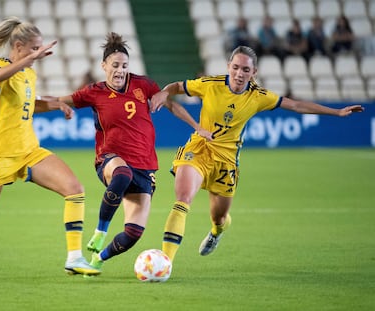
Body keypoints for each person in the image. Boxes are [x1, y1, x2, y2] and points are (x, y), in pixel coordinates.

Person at [150, 45, 364, 263]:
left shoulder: (258, 96)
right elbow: (175, 87)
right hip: (199, 150)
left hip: (227, 163)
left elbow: (297, 105)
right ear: (228, 67)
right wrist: (163, 93)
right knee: (183, 199)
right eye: (235, 68)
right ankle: (165, 263)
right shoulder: (210, 84)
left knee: (219, 217)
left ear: (254, 73)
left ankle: (217, 231)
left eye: (245, 69)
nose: (239, 74)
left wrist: (336, 112)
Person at [0, 17, 100, 276]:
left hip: (28, 150)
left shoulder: (28, 73)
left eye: (39, 49)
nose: (38, 53)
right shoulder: (1, 65)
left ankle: (74, 258)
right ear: (19, 47)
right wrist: (28, 60)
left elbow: (31, 105)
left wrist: (57, 104)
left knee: (74, 189)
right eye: (34, 48)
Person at [55, 32, 199, 274]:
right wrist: (34, 105)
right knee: (122, 174)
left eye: (124, 65)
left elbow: (171, 104)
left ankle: (97, 259)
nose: (120, 70)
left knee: (133, 233)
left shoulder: (143, 85)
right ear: (104, 66)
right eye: (115, 65)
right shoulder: (94, 92)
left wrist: (196, 126)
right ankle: (100, 233)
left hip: (144, 166)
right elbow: (61, 100)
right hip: (110, 159)